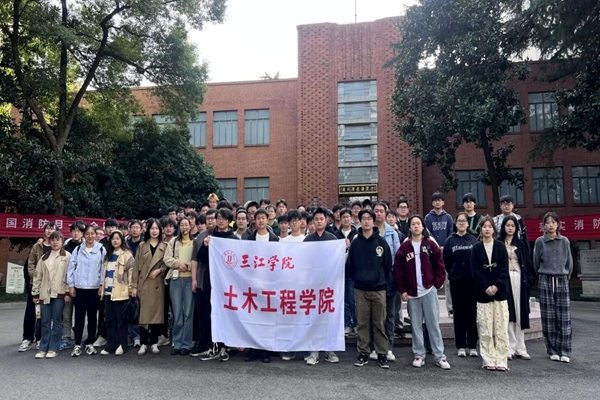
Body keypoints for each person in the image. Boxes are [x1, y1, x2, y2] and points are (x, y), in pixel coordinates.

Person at [394, 215, 450, 370]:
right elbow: (398, 270)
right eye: (413, 224)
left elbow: (440, 265)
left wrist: (436, 284)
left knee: (433, 325)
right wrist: (403, 290)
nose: (416, 226)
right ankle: (419, 354)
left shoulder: (430, 244)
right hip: (412, 293)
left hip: (428, 290)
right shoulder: (405, 247)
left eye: (418, 223)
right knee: (416, 326)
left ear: (423, 226)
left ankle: (440, 356)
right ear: (410, 227)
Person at [347, 209, 392, 369]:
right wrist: (358, 278)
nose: (366, 221)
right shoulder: (356, 243)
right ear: (360, 221)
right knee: (362, 323)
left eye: (369, 218)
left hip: (378, 289)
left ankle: (382, 353)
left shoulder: (381, 242)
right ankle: (363, 353)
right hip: (360, 289)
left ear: (373, 221)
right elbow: (351, 265)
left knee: (379, 322)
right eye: (363, 218)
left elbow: (388, 265)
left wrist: (380, 280)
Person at [196, 208, 239, 361]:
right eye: (218, 218)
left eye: (224, 218)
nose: (220, 221)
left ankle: (224, 347)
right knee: (211, 314)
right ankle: (212, 346)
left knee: (226, 315)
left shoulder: (234, 239)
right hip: (211, 281)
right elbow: (200, 258)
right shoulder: (210, 238)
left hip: (228, 285)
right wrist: (205, 245)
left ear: (229, 221)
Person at [533, 212, 573, 363]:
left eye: (553, 222)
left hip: (562, 279)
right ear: (543, 225)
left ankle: (565, 350)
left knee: (564, 317)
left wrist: (566, 276)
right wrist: (541, 276)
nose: (551, 225)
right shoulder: (540, 241)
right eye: (548, 223)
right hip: (545, 279)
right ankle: (552, 349)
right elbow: (536, 262)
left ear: (558, 224)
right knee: (548, 316)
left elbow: (569, 262)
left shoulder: (565, 241)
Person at [471, 216, 509, 371]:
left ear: (494, 229)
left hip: (500, 293)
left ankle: (501, 359)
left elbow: (504, 269)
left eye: (490, 226)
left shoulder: (500, 246)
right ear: (481, 229)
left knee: (501, 328)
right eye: (484, 226)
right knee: (485, 328)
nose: (487, 229)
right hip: (483, 293)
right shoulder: (476, 248)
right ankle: (488, 359)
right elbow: (475, 270)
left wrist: (496, 286)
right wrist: (486, 287)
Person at [303, 207, 340, 365]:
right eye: (316, 219)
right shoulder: (308, 240)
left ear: (326, 221)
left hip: (328, 286)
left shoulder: (333, 239)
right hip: (312, 286)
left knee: (328, 318)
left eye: (321, 219)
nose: (318, 221)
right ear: (313, 221)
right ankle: (314, 352)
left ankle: (329, 350)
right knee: (313, 319)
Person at [498, 215, 536, 360]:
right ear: (503, 227)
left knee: (520, 314)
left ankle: (521, 347)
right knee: (508, 314)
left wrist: (529, 281)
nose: (510, 228)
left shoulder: (521, 244)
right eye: (507, 225)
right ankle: (509, 347)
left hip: (520, 280)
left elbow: (529, 264)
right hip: (505, 281)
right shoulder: (498, 243)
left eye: (513, 226)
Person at [443, 212, 479, 357]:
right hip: (456, 281)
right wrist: (453, 272)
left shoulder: (474, 240)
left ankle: (472, 345)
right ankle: (461, 346)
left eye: (464, 221)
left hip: (471, 281)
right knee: (459, 314)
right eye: (459, 221)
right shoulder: (450, 241)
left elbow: (477, 260)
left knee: (472, 313)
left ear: (467, 224)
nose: (462, 223)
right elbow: (446, 260)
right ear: (456, 223)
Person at [67, 225, 106, 357]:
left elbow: (103, 268)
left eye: (92, 233)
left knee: (92, 317)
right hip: (80, 288)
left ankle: (90, 342)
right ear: (84, 235)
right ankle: (78, 343)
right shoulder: (78, 249)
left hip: (94, 288)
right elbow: (71, 268)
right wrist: (71, 285)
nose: (90, 236)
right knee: (79, 317)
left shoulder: (101, 249)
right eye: (87, 234)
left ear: (96, 235)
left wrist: (101, 284)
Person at [32, 231, 71, 359]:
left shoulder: (67, 256)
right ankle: (43, 348)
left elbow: (69, 276)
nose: (55, 242)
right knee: (45, 321)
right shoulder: (44, 257)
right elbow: (37, 276)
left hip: (59, 293)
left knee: (57, 321)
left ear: (62, 241)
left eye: (57, 240)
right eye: (53, 240)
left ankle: (53, 348)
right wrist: (35, 293)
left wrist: (67, 292)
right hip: (45, 294)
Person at [132, 218, 168, 356]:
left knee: (157, 315)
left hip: (158, 283)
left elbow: (167, 263)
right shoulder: (142, 246)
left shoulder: (165, 246)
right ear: (148, 230)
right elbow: (136, 267)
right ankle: (143, 343)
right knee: (143, 315)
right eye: (152, 228)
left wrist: (159, 270)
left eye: (156, 228)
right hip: (144, 284)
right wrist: (134, 286)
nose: (154, 231)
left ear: (160, 230)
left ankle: (154, 343)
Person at [19, 223, 57, 352]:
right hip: (35, 284)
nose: (49, 231)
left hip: (50, 286)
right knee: (31, 311)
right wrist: (36, 279)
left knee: (44, 313)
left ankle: (40, 338)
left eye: (52, 229)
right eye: (47, 229)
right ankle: (27, 338)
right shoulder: (37, 246)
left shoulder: (56, 247)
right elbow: (30, 264)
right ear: (44, 231)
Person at [373, 202, 402, 362]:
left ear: (385, 213)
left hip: (389, 276)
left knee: (390, 314)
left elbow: (398, 255)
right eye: (376, 211)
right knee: (375, 315)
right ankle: (375, 347)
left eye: (381, 211)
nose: (378, 213)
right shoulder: (368, 231)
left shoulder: (392, 233)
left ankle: (388, 347)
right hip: (373, 278)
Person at [100, 230, 135, 356]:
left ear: (122, 240)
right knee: (109, 320)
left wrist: (131, 289)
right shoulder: (107, 255)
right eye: (113, 239)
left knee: (121, 320)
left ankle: (122, 345)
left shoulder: (127, 255)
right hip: (108, 292)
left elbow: (131, 273)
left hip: (121, 292)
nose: (115, 241)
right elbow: (103, 273)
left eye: (117, 238)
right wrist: (102, 286)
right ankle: (110, 345)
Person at [163, 217, 195, 356]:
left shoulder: (195, 241)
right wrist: (178, 263)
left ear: (190, 226)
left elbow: (198, 260)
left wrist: (190, 265)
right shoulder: (173, 241)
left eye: (186, 225)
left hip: (190, 279)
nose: (184, 227)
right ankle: (177, 342)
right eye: (182, 225)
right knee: (177, 312)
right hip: (176, 279)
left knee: (188, 312)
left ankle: (187, 344)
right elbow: (167, 259)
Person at [425, 192, 454, 316]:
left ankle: (450, 308)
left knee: (448, 281)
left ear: (443, 202)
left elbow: (451, 233)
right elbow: (428, 234)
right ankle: (433, 309)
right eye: (435, 200)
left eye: (439, 200)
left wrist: (444, 246)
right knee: (432, 280)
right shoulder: (428, 218)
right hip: (433, 253)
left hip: (446, 252)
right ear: (432, 203)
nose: (437, 202)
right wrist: (436, 246)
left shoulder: (448, 217)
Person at [60, 221, 85, 351]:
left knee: (80, 314)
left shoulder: (86, 247)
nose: (76, 233)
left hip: (82, 286)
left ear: (82, 233)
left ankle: (79, 338)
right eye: (74, 231)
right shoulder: (65, 248)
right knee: (66, 314)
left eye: (79, 231)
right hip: (67, 285)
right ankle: (65, 338)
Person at [334, 208, 358, 336]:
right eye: (343, 217)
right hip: (339, 273)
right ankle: (347, 324)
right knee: (344, 301)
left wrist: (351, 246)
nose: (346, 219)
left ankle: (356, 324)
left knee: (353, 300)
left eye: (348, 217)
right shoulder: (335, 235)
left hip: (352, 273)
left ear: (351, 218)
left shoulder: (356, 234)